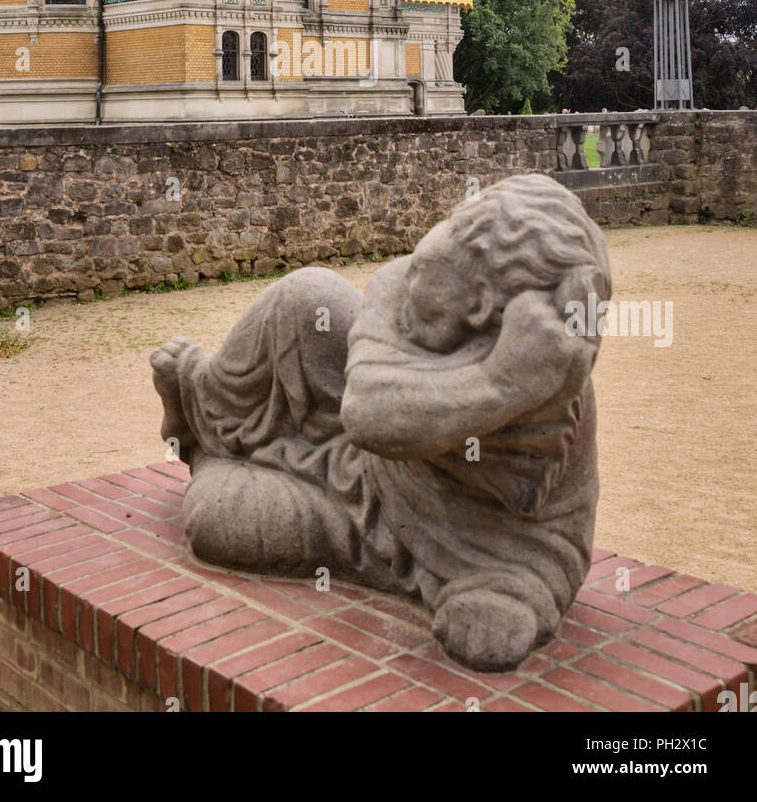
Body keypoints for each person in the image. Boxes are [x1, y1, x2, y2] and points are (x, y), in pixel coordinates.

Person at [151, 173, 610, 670]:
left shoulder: (554, 391)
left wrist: (517, 595)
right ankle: (197, 399)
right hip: (363, 444)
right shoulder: (403, 287)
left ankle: (242, 466)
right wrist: (497, 384)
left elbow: (557, 543)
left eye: (430, 276)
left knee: (216, 516)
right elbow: (368, 413)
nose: (405, 279)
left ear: (482, 304)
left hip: (405, 525)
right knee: (309, 295)